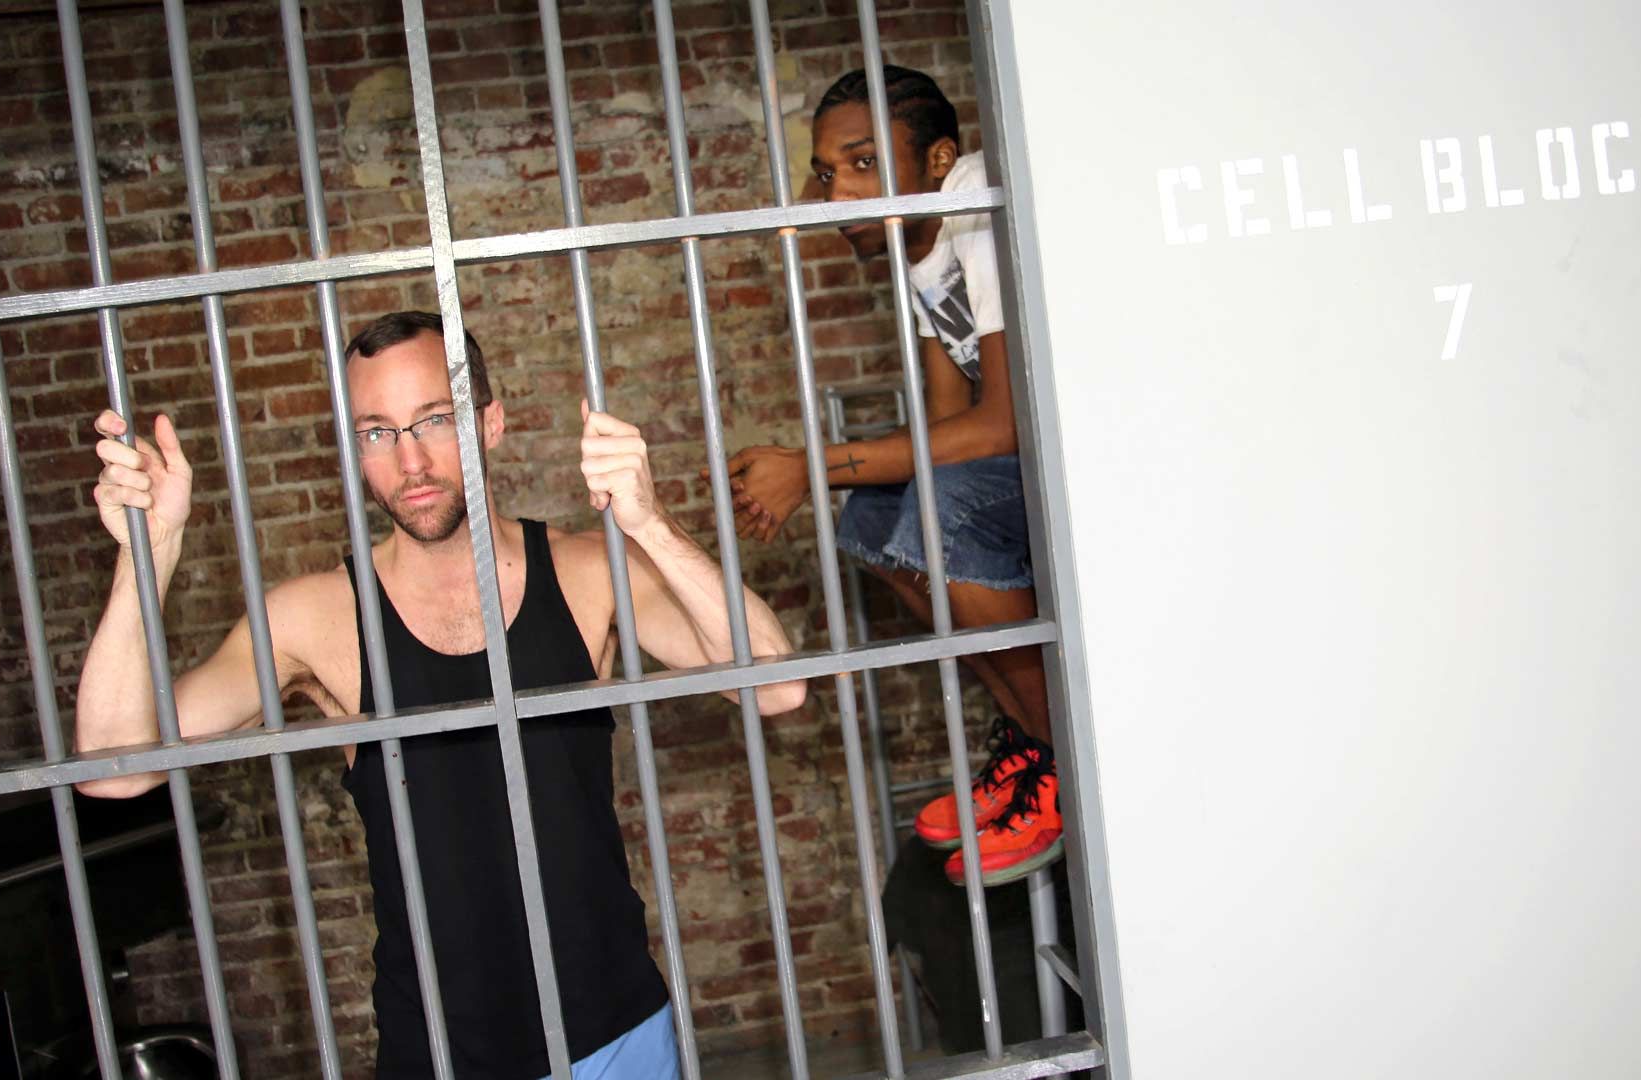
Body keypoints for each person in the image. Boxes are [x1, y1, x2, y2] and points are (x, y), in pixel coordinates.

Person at [74, 310, 807, 1079]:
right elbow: (114, 766)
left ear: (490, 422)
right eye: (377, 432)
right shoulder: (317, 617)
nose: (411, 460)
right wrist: (149, 553)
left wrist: (649, 525)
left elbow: (778, 685)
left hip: (614, 1037)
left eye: (434, 420)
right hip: (436, 1054)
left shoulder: (587, 572)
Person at [724, 66, 1060, 888]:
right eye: (828, 172)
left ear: (938, 158)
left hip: (1092, 460)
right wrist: (827, 477)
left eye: (865, 163)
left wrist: (812, 467)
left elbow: (1000, 425)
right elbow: (948, 428)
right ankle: (1033, 740)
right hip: (1035, 466)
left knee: (940, 517)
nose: (837, 194)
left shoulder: (974, 202)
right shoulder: (920, 244)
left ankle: (1071, 761)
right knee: (875, 521)